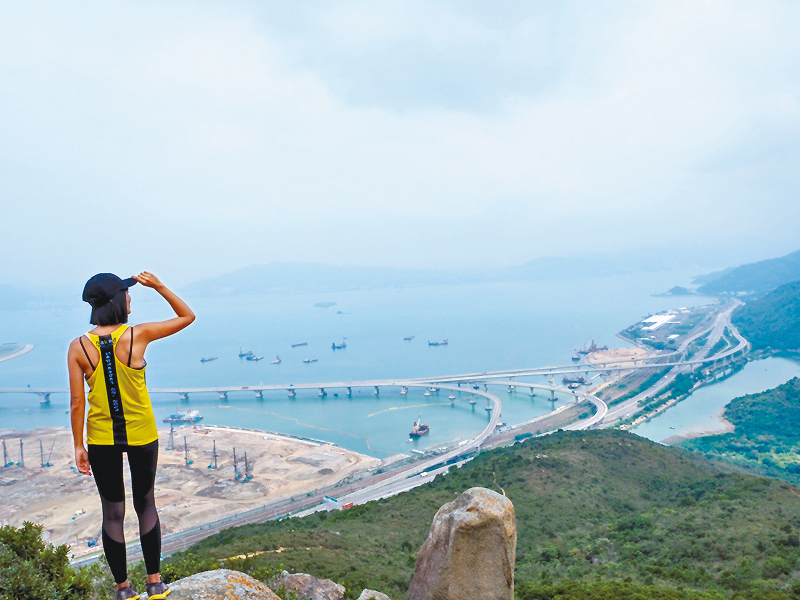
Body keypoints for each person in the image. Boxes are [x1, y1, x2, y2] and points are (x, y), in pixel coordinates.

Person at [68, 272, 195, 600]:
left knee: (112, 513)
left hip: (100, 439)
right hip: (141, 434)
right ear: (116, 300)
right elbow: (187, 316)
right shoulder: (138, 335)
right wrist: (160, 286)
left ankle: (124, 589)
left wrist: (78, 445)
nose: (130, 298)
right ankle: (155, 583)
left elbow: (77, 402)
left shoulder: (78, 347)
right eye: (127, 293)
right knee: (146, 504)